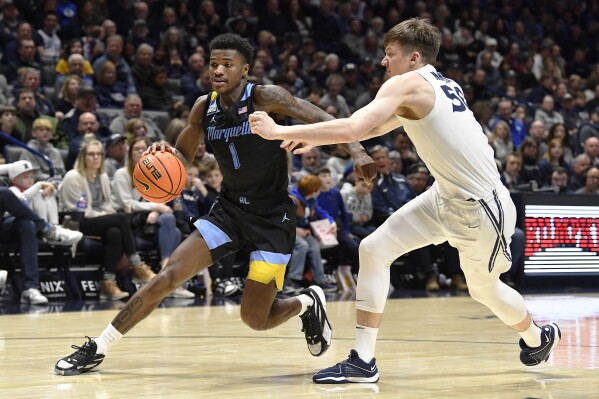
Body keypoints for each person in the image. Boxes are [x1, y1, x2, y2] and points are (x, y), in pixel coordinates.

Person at [250, 19, 561, 383]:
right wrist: (314, 138)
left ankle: (538, 337)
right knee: (374, 249)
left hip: (480, 208)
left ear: (413, 57)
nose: (384, 62)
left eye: (390, 54)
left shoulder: (408, 83)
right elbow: (376, 126)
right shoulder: (438, 83)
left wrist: (279, 131)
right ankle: (362, 360)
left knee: (483, 289)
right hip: (445, 195)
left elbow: (353, 127)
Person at [54, 33, 376, 376]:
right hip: (229, 210)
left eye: (227, 64)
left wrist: (356, 149)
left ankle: (306, 302)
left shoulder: (265, 97)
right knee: (167, 277)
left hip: (271, 217)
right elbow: (181, 156)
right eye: (213, 64)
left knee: (255, 319)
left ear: (245, 69)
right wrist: (164, 157)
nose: (218, 70)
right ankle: (98, 347)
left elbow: (316, 115)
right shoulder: (203, 107)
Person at [59, 138, 156, 301]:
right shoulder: (73, 177)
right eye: (91, 154)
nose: (96, 157)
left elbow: (106, 204)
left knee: (115, 232)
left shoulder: (102, 176)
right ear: (83, 157)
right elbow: (80, 210)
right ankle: (137, 265)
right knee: (120, 218)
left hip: (98, 220)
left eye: (99, 154)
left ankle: (108, 282)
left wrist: (107, 214)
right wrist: (107, 216)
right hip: (76, 223)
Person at [111, 137, 193, 299]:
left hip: (150, 219)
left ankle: (165, 270)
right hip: (128, 220)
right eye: (137, 149)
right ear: (129, 153)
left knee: (172, 225)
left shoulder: (156, 171)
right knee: (174, 231)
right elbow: (127, 203)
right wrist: (154, 207)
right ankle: (170, 278)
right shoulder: (121, 174)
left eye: (144, 148)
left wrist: (156, 210)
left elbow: (161, 199)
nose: (141, 151)